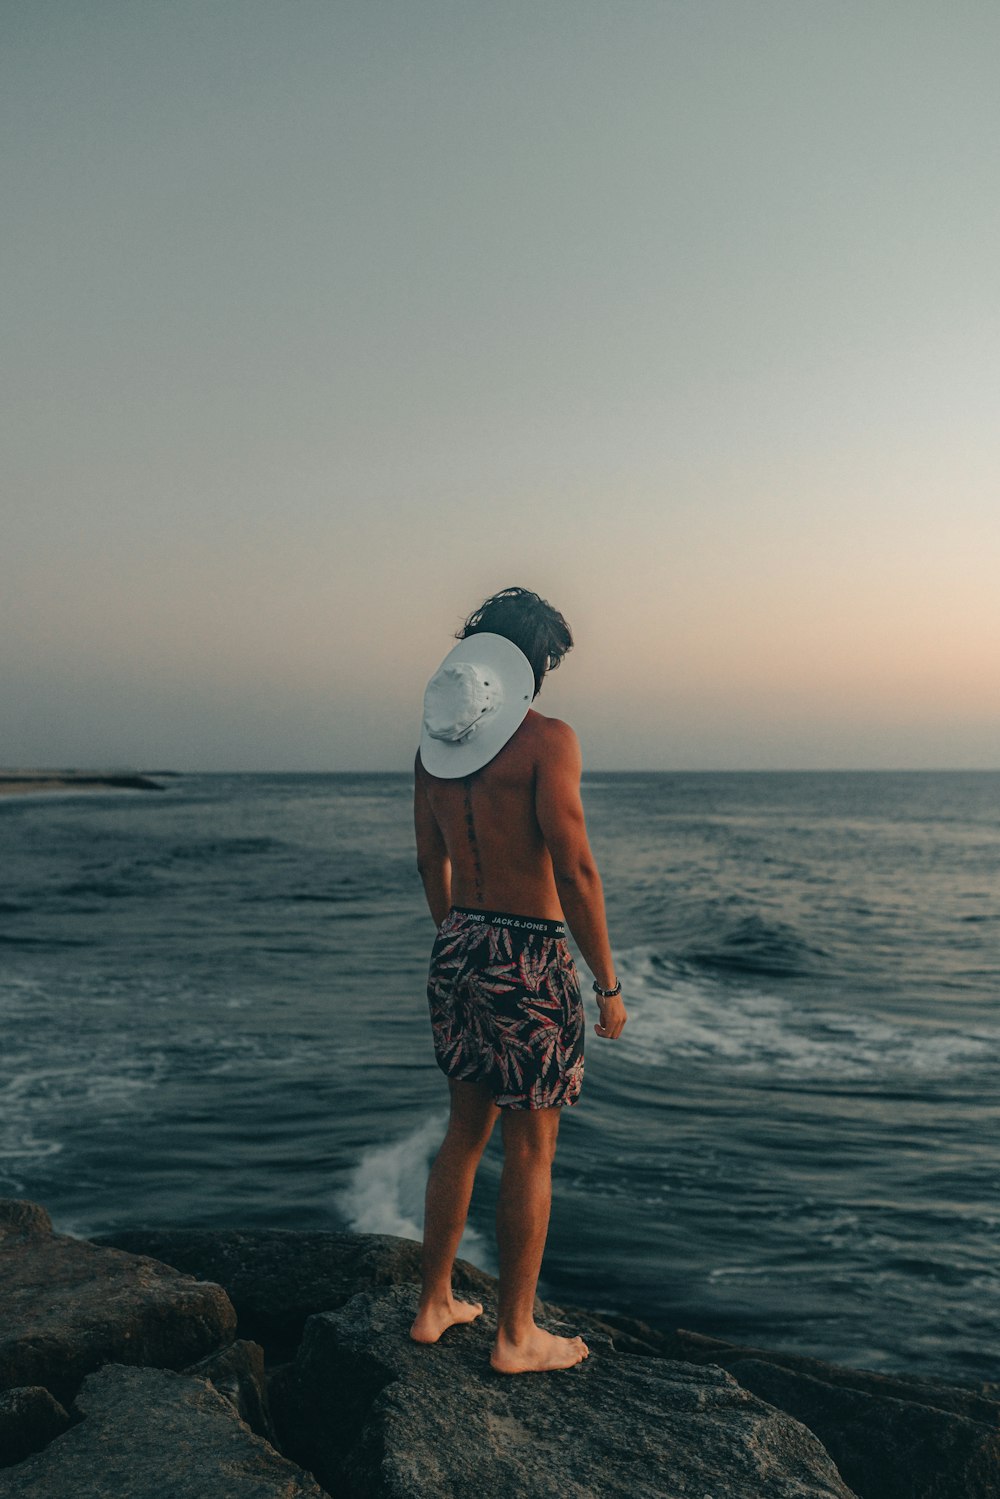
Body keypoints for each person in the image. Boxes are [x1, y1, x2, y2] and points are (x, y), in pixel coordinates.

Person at [409, 586, 627, 1374]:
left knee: (465, 1130)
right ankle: (515, 1333)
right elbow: (575, 867)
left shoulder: (434, 750)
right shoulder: (546, 742)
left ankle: (434, 1302)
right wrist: (605, 982)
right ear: (527, 663)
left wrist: (457, 934)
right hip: (529, 952)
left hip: (459, 941)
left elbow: (428, 859)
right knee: (533, 1145)